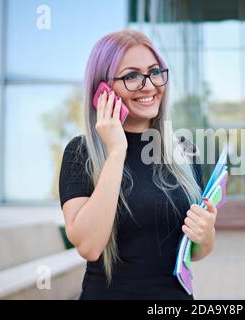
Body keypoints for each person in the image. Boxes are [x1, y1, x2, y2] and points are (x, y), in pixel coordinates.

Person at [58, 29, 217, 299]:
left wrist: (206, 233)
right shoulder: (81, 153)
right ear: (102, 90)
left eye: (155, 72)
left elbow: (196, 252)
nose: (149, 85)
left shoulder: (184, 152)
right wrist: (116, 150)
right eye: (132, 76)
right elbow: (89, 246)